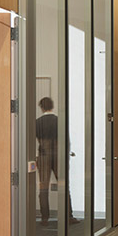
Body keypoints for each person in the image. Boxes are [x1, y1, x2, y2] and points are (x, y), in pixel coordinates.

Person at [34, 97, 76, 226]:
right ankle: (68, 216)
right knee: (64, 186)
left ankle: (44, 218)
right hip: (59, 156)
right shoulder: (60, 121)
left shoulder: (37, 122)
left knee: (43, 187)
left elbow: (35, 139)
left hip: (43, 156)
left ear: (41, 107)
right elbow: (66, 140)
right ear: (52, 106)